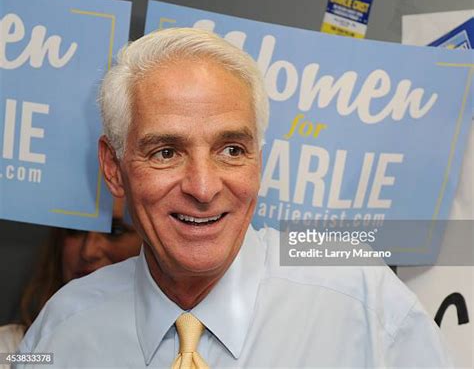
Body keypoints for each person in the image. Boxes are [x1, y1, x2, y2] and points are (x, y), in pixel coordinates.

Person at [17, 28, 452, 368]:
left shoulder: (365, 302)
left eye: (231, 150)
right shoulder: (63, 332)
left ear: (259, 161)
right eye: (166, 152)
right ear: (114, 168)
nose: (204, 189)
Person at [0, 199, 141, 364]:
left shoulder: (174, 353)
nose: (88, 251)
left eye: (115, 231)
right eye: (75, 229)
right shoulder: (9, 351)